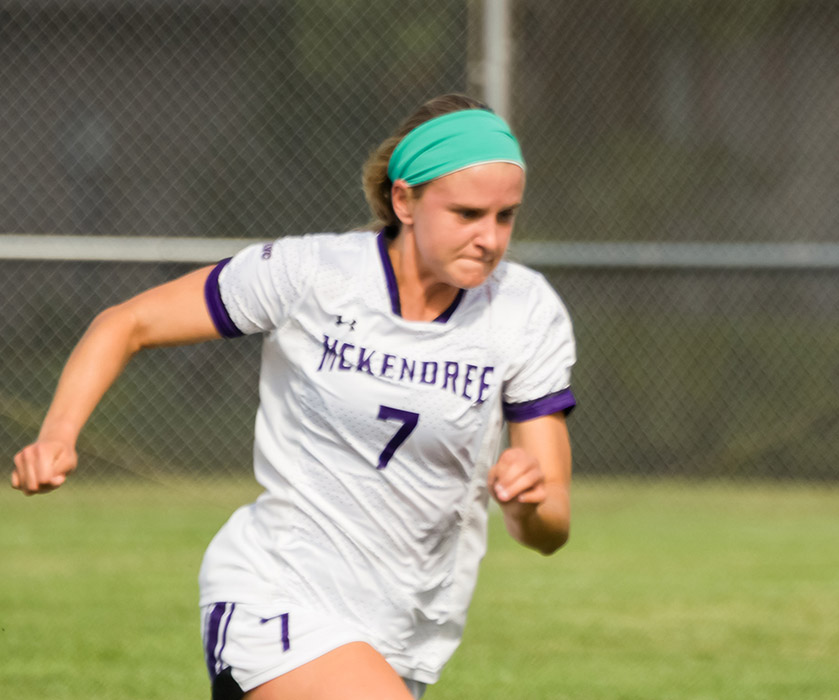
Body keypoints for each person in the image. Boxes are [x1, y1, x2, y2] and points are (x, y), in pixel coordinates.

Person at [10, 94, 578, 700]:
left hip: (404, 635)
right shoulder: (313, 273)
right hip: (277, 597)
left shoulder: (525, 311)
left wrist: (526, 501)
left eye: (505, 216)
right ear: (404, 199)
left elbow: (551, 529)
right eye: (467, 213)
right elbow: (126, 324)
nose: (490, 238)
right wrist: (57, 436)